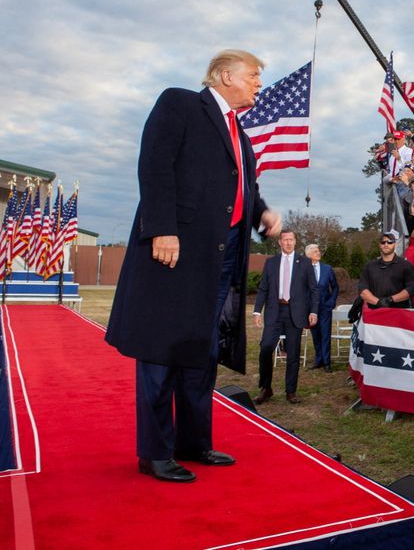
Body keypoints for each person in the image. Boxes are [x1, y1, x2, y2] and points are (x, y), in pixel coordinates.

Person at [106, 49, 281, 483]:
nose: (259, 83)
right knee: (162, 348)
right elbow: (155, 165)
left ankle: (193, 441)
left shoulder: (239, 133)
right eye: (253, 75)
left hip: (221, 254)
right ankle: (155, 452)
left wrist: (260, 213)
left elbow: (242, 187)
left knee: (201, 351)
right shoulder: (180, 103)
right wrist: (161, 228)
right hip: (175, 248)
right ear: (225, 75)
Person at [253, 230, 319, 404]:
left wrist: (313, 311)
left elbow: (314, 290)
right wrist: (257, 311)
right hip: (275, 311)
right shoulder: (271, 263)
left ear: (295, 242)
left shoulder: (305, 263)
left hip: (295, 314)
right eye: (285, 240)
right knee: (266, 348)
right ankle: (266, 388)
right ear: (280, 242)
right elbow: (263, 288)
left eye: (291, 240)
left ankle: (291, 391)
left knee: (293, 354)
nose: (288, 243)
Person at [358, 232, 414, 311]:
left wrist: (390, 300)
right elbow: (362, 289)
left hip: (400, 312)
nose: (386, 244)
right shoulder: (369, 266)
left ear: (395, 244)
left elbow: (411, 288)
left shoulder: (405, 265)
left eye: (390, 242)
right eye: (383, 242)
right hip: (374, 313)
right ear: (379, 245)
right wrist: (378, 302)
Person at [304, 243, 339, 372]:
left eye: (318, 251)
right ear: (308, 255)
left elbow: (335, 287)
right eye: (315, 251)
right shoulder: (303, 269)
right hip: (310, 309)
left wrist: (331, 301)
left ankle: (327, 362)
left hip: (325, 308)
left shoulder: (327, 268)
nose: (318, 253)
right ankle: (318, 360)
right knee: (316, 335)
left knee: (325, 334)